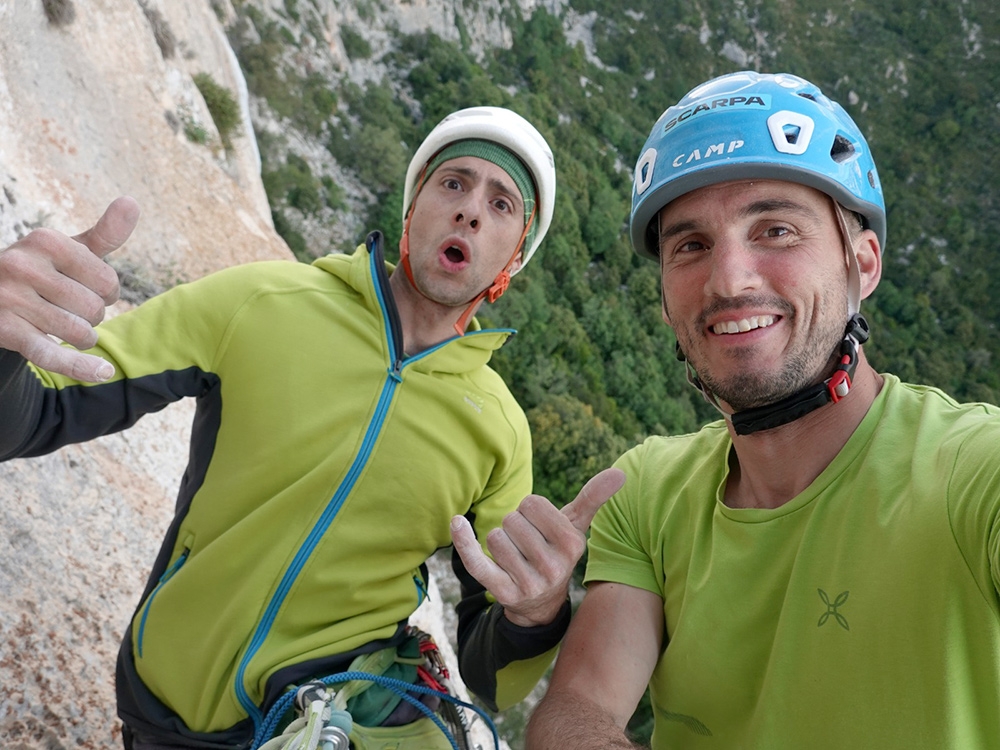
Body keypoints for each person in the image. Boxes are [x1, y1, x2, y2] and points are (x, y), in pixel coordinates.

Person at [0, 105, 624, 749]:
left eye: (502, 205)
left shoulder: (499, 433)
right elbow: (33, 414)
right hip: (165, 707)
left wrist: (537, 614)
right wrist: (5, 341)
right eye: (454, 183)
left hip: (325, 723)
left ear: (511, 259)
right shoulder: (261, 304)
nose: (470, 210)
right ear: (412, 211)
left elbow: (488, 676)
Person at [526, 71, 1000, 749]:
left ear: (863, 264)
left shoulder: (973, 474)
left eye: (775, 229)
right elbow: (578, 710)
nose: (729, 279)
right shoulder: (646, 493)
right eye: (690, 246)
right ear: (664, 299)